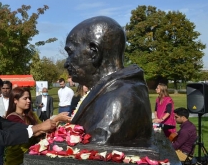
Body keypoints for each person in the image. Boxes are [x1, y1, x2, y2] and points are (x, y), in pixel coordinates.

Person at [64, 16, 153, 147]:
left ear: (94, 53)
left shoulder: (120, 100)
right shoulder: (108, 90)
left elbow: (98, 150)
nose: (66, 64)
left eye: (70, 53)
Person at [0, 87, 70, 165]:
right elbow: (31, 131)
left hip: (31, 158)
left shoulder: (31, 115)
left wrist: (55, 125)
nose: (28, 101)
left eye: (29, 98)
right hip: (17, 159)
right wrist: (56, 118)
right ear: (15, 100)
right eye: (25, 98)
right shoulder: (11, 118)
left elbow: (43, 129)